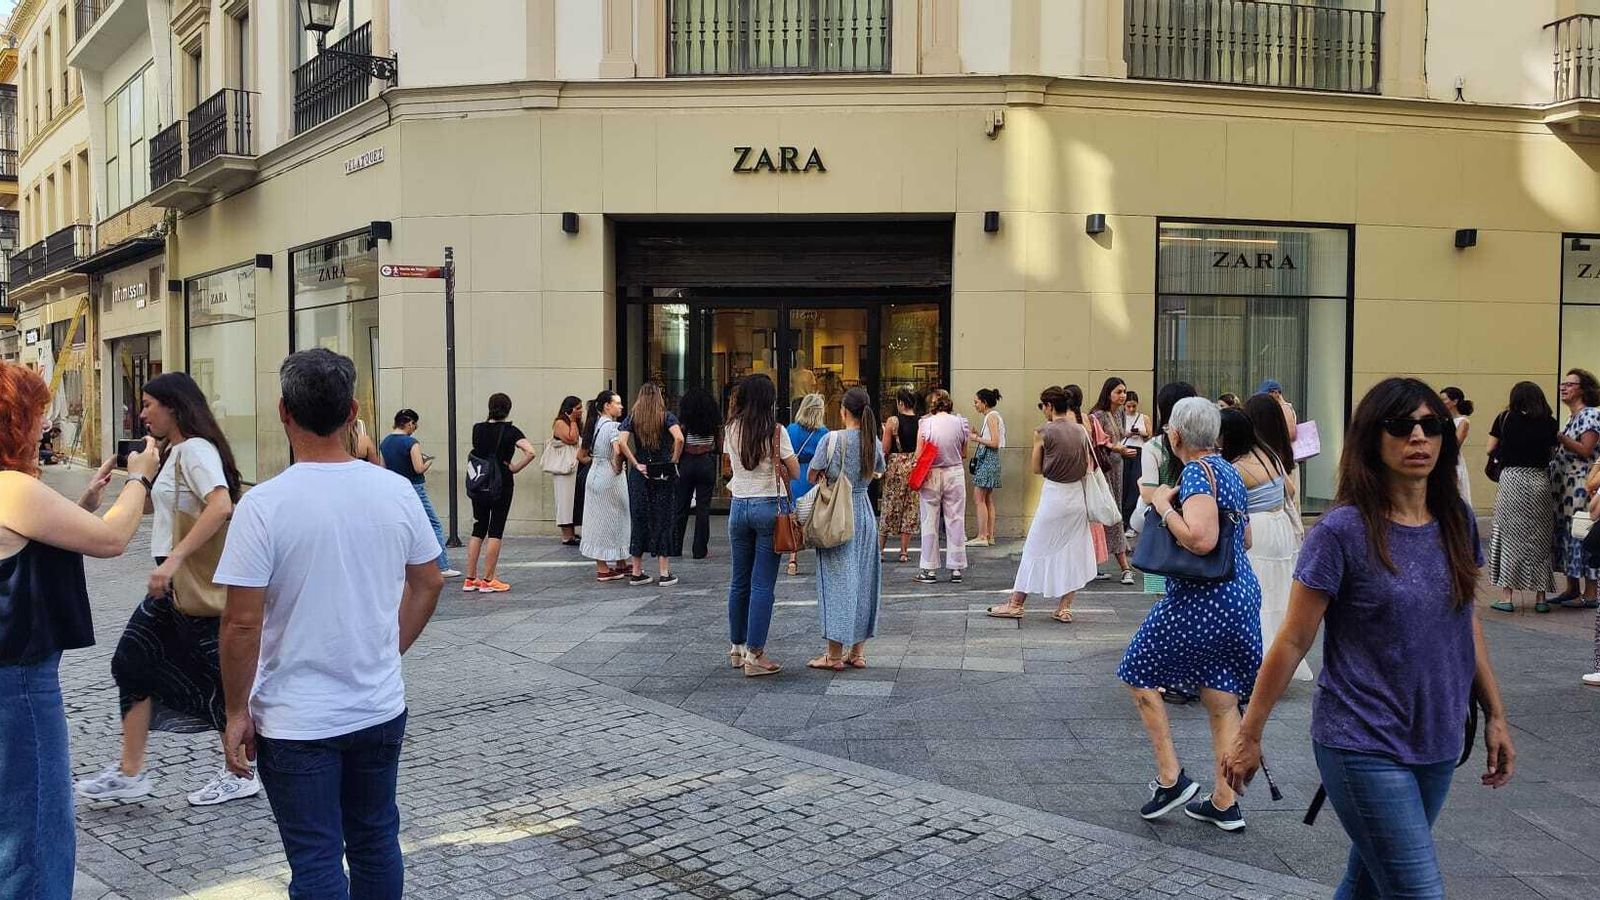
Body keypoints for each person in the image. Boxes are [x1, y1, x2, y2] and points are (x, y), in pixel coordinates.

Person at [1224, 377, 1516, 898]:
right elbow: (1293, 640)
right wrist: (1249, 733)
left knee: (1365, 883)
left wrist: (1495, 713)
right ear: (1372, 439)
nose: (1419, 438)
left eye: (1432, 426)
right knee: (1416, 890)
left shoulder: (1457, 521)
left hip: (1438, 737)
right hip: (1361, 738)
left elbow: (1465, 621)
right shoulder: (1342, 531)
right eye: (1401, 427)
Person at [215, 349, 445, 900]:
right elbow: (429, 582)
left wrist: (234, 710)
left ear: (283, 412)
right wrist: (388, 649)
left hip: (296, 718)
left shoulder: (264, 506)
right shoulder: (393, 491)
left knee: (315, 858)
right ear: (354, 412)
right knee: (375, 839)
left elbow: (241, 626)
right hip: (378, 706)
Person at [0, 364, 155, 900]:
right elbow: (112, 540)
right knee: (35, 832)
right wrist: (139, 477)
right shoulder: (12, 488)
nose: (44, 423)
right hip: (18, 684)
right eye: (36, 411)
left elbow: (36, 537)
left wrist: (84, 502)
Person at [74, 373, 263, 810]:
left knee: (217, 677)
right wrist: (124, 487)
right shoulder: (176, 452)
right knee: (132, 661)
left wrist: (176, 558)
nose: (141, 413)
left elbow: (220, 504)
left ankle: (241, 772)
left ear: (173, 406)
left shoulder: (195, 450)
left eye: (147, 404)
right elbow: (173, 507)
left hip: (188, 584)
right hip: (172, 586)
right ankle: (130, 773)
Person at [1118, 397, 1261, 832]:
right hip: (1239, 593)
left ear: (1175, 435)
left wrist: (1162, 506)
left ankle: (1171, 778)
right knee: (1221, 697)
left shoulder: (1197, 473)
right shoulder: (1230, 472)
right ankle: (1224, 801)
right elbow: (1246, 539)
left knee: (1137, 671)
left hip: (1202, 599)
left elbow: (1200, 539)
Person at [985, 387, 1098, 625]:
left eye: (1042, 405)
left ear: (1048, 406)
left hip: (1055, 495)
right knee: (1074, 549)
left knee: (1035, 547)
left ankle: (1016, 603)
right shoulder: (1081, 430)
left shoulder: (1042, 432)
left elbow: (1036, 468)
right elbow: (1087, 463)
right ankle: (1065, 607)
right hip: (1077, 495)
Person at [1220, 406, 1311, 683]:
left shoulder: (1235, 467)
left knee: (1255, 597)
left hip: (1257, 530)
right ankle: (1277, 662)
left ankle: (1255, 662)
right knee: (1277, 595)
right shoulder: (1268, 454)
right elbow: (1290, 490)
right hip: (1280, 527)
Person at [724, 374, 799, 677]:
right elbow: (793, 471)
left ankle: (737, 647)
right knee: (762, 584)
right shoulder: (776, 431)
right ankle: (756, 654)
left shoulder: (730, 428)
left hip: (738, 507)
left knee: (738, 581)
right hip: (768, 508)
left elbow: (731, 463)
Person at [805, 388, 885, 671]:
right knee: (864, 580)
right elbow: (878, 470)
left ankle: (833, 655)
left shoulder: (832, 439)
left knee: (838, 581)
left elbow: (812, 474)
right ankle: (858, 652)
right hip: (864, 511)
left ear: (843, 411)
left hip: (838, 512)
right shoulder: (872, 441)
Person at [1486, 382, 1558, 614]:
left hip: (1512, 479)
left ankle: (1507, 597)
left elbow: (1490, 448)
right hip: (1539, 480)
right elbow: (1552, 452)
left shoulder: (1504, 418)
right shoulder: (1549, 422)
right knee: (1540, 536)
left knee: (1508, 535)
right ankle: (1541, 597)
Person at [463, 393, 536, 594]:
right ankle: (488, 579)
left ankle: (470, 578)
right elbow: (530, 451)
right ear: (508, 409)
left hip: (479, 482)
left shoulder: (477, 429)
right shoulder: (511, 431)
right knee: (496, 529)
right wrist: (515, 467)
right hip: (501, 482)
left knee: (478, 528)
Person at [379, 409, 460, 579]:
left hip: (395, 489)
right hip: (415, 487)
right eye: (415, 424)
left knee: (401, 526)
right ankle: (442, 565)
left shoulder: (385, 442)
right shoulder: (411, 443)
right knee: (434, 524)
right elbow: (418, 468)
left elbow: (382, 469)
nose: (415, 428)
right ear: (409, 423)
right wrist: (428, 462)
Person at [617, 384, 684, 586]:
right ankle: (664, 572)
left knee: (639, 518)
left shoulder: (633, 417)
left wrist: (635, 463)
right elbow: (679, 438)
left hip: (640, 472)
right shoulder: (666, 416)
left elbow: (621, 442)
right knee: (663, 517)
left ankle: (637, 571)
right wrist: (674, 460)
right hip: (662, 470)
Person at [1553, 369, 1600, 609]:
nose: (1564, 387)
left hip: (1581, 486)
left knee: (1582, 534)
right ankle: (1572, 587)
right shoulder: (1573, 417)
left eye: (1570, 384)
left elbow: (1586, 449)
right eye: (1563, 383)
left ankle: (1591, 592)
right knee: (1567, 536)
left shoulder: (1590, 415)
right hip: (1565, 488)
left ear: (1583, 389)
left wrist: (1560, 438)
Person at [914, 389, 972, 584]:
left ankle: (929, 569)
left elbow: (919, 454)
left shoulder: (925, 423)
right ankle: (956, 568)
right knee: (956, 519)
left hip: (931, 473)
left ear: (932, 404)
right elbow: (964, 453)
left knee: (929, 520)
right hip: (954, 472)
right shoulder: (961, 423)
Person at [1089, 378, 1138, 585]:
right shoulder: (1097, 415)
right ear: (1108, 392)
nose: (1123, 395)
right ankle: (1125, 567)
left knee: (1111, 511)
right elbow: (1097, 443)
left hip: (1118, 466)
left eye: (1124, 391)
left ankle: (1093, 564)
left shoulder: (1119, 414)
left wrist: (1120, 449)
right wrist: (1116, 448)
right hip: (1104, 469)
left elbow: (1117, 439)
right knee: (1110, 512)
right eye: (1118, 392)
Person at [580, 391, 631, 583]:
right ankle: (607, 566)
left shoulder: (593, 425)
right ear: (606, 406)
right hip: (610, 478)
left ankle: (617, 562)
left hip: (595, 473)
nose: (621, 406)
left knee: (598, 520)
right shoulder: (613, 427)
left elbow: (582, 454)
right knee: (618, 517)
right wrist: (619, 464)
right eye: (617, 403)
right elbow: (618, 449)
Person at [673, 387, 721, 560]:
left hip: (687, 460)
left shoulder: (685, 422)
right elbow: (718, 442)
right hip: (706, 460)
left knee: (681, 505)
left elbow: (679, 438)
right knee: (703, 508)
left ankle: (675, 546)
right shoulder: (711, 421)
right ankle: (700, 550)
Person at [784, 393, 829, 576]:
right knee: (818, 518)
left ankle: (793, 559)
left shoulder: (791, 429)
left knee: (795, 518)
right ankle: (823, 558)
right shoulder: (824, 433)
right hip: (814, 477)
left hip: (795, 476)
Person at [877, 387, 921, 563]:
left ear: (900, 403)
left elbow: (885, 449)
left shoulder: (893, 421)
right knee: (910, 508)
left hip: (896, 466)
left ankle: (880, 549)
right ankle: (904, 551)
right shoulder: (921, 421)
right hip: (914, 465)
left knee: (890, 506)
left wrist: (883, 433)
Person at [967, 388, 1006, 547]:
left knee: (979, 498)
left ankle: (982, 535)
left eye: (976, 402)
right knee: (988, 499)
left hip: (987, 460)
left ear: (984, 402)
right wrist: (981, 436)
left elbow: (995, 442)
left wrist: (976, 438)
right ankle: (989, 535)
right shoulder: (993, 416)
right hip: (992, 460)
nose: (975, 405)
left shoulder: (991, 417)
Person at [551, 396, 583, 546]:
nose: (580, 411)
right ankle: (566, 535)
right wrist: (572, 421)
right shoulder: (560, 423)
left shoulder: (575, 423)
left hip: (574, 466)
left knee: (572, 499)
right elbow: (572, 439)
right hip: (564, 468)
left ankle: (572, 532)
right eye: (577, 408)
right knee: (565, 499)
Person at [1119, 390, 1150, 532]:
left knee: (1134, 486)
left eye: (1134, 406)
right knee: (1123, 486)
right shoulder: (1119, 417)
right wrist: (1127, 433)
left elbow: (1149, 434)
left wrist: (1140, 432)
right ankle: (1122, 521)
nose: (1131, 409)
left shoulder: (1143, 417)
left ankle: (1130, 522)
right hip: (1123, 451)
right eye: (1128, 406)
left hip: (1139, 452)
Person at [1441, 386, 1474, 507]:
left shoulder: (1463, 421)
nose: (1442, 403)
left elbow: (1455, 444)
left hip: (1453, 460)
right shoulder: (1442, 420)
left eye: (1444, 399)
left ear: (1454, 401)